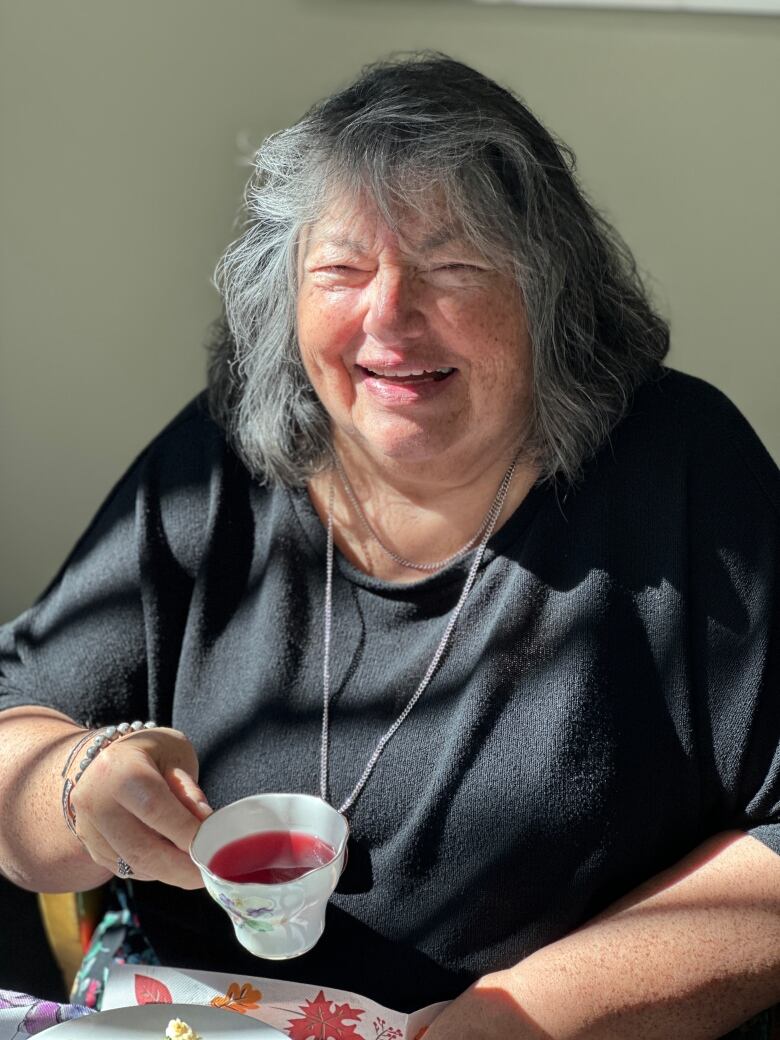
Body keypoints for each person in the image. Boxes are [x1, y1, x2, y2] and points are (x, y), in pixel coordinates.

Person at [0, 52, 779, 1039]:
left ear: (549, 295)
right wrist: (79, 786)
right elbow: (12, 727)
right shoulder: (224, 460)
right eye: (342, 266)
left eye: (452, 264)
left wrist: (519, 1016)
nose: (389, 315)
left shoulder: (681, 467)